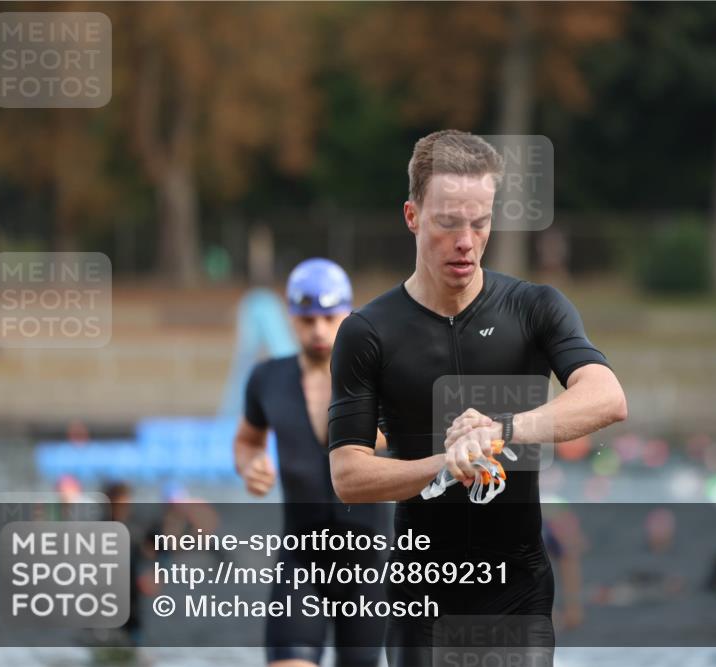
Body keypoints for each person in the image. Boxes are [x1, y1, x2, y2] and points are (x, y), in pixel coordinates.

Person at [328, 130, 628, 666]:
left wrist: (501, 431)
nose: (465, 240)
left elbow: (607, 397)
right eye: (447, 222)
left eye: (480, 222)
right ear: (412, 215)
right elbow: (349, 475)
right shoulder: (368, 332)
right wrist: (446, 465)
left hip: (519, 592)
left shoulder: (535, 308)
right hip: (420, 597)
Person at [234, 258, 388, 667]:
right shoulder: (267, 378)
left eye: (329, 317)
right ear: (291, 317)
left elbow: (418, 436)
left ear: (349, 315)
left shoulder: (379, 375)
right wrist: (250, 466)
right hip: (302, 558)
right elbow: (248, 440)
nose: (318, 330)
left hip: (369, 563)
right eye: (307, 319)